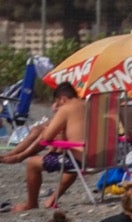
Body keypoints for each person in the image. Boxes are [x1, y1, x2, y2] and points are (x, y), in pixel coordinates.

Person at [10, 82, 85, 212]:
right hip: (101, 158)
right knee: (72, 157)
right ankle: (53, 198)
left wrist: (47, 128)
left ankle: (31, 203)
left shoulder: (66, 108)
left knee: (32, 163)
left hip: (79, 161)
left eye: (58, 102)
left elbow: (46, 138)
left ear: (62, 99)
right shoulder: (91, 105)